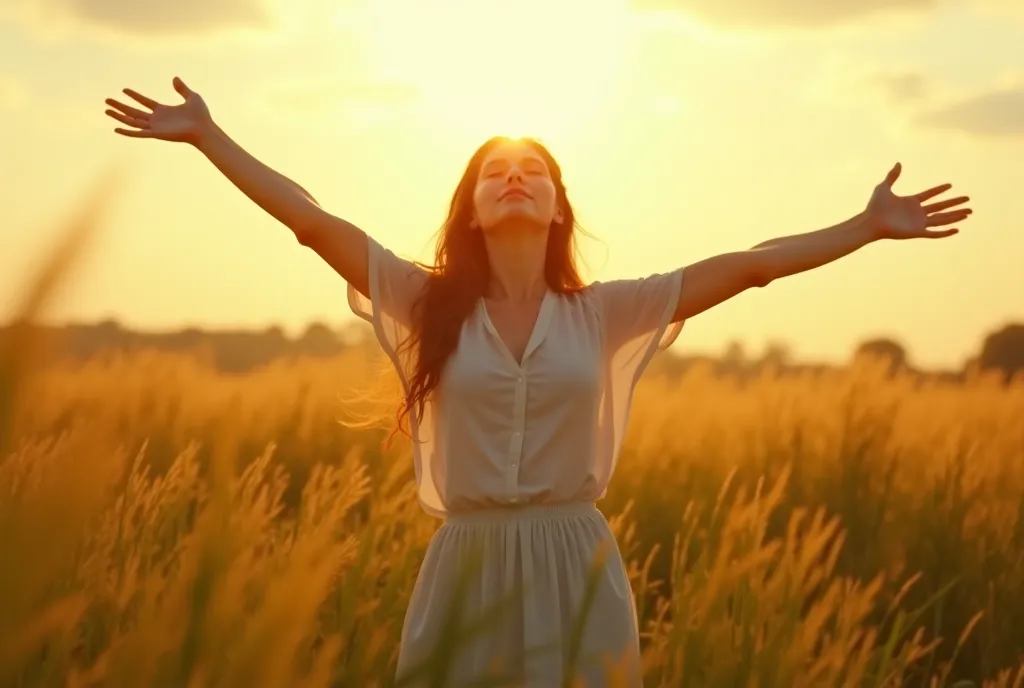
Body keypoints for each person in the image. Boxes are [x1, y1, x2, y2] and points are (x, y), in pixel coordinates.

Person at [104, 77, 973, 687]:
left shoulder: (605, 313)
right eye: (494, 173)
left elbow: (750, 267)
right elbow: (309, 220)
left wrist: (863, 228)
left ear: (557, 206)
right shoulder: (423, 300)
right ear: (474, 209)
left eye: (533, 172)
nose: (513, 178)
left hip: (574, 559)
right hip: (467, 564)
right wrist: (210, 137)